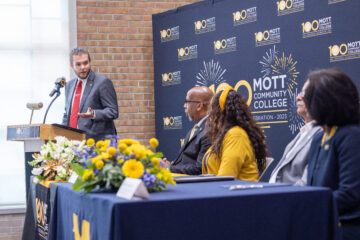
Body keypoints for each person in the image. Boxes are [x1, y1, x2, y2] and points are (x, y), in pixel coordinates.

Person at [304, 68, 360, 240]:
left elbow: (350, 194)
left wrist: (304, 204)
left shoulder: (351, 136)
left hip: (346, 229)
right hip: (322, 222)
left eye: (305, 95)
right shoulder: (319, 137)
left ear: (323, 100)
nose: (300, 98)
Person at [202, 86, 267, 181]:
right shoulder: (226, 135)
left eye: (211, 110)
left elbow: (225, 178)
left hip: (237, 194)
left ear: (218, 112)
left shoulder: (236, 135)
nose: (209, 115)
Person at [269, 81, 322, 185]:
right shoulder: (303, 132)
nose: (298, 97)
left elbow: (306, 183)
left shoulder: (322, 134)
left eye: (304, 94)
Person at [62, 48, 118, 141]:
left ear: (90, 62)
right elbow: (67, 114)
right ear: (72, 65)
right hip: (73, 143)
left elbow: (113, 111)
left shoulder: (102, 82)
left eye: (85, 63)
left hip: (96, 143)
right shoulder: (69, 85)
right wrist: (61, 135)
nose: (83, 67)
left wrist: (93, 114)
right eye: (78, 64)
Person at [162, 86, 214, 175]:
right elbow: (185, 161)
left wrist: (169, 168)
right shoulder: (196, 129)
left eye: (187, 102)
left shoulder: (210, 130)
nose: (184, 106)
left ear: (199, 106)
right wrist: (167, 165)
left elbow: (200, 168)